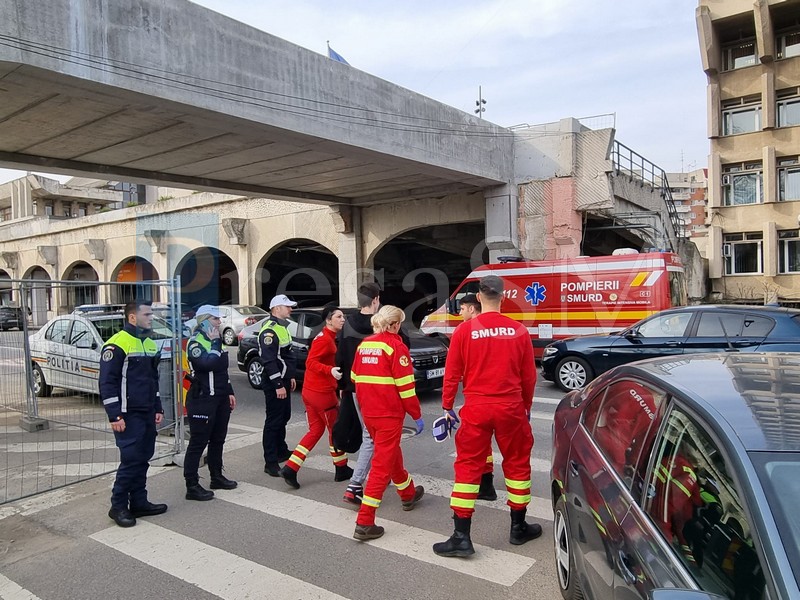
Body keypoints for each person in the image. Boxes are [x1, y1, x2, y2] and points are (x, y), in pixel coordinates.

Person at [433, 275, 540, 557]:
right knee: (517, 465)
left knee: (468, 467)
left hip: (477, 408)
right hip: (511, 408)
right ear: (503, 297)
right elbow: (529, 377)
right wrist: (525, 407)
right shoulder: (518, 331)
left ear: (478, 298)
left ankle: (461, 537)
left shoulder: (464, 331)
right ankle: (518, 528)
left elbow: (452, 374)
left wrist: (447, 407)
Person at [350, 305, 424, 541]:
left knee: (390, 453)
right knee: (381, 466)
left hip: (369, 413)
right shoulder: (396, 346)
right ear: (395, 325)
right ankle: (365, 522)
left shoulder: (365, 344)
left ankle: (408, 493)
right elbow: (405, 387)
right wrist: (416, 414)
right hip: (389, 414)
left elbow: (355, 378)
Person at [99, 301, 167, 528]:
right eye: (146, 314)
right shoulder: (116, 344)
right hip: (127, 415)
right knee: (130, 460)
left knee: (143, 458)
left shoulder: (148, 343)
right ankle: (118, 506)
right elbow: (107, 383)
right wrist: (114, 415)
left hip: (146, 411)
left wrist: (157, 407)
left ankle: (139, 502)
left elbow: (152, 380)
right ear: (132, 318)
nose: (151, 318)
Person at [280, 305, 353, 489]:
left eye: (342, 316)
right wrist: (330, 371)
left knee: (315, 431)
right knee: (334, 431)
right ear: (328, 320)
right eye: (338, 316)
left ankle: (291, 468)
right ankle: (341, 468)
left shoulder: (326, 336)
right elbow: (310, 362)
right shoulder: (325, 340)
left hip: (310, 393)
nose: (342, 319)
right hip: (322, 395)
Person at [183, 305, 238, 501]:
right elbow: (208, 364)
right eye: (215, 319)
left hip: (220, 398)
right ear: (205, 321)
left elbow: (222, 370)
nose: (219, 322)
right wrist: (215, 343)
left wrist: (229, 392)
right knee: (198, 443)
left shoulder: (215, 341)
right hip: (203, 399)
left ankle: (216, 476)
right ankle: (192, 485)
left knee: (218, 439)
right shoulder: (196, 342)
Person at [335, 282, 381, 505]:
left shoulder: (348, 324)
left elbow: (341, 356)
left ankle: (393, 477)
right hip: (380, 389)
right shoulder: (381, 323)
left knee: (373, 434)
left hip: (355, 387)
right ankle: (356, 484)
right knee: (374, 436)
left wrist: (343, 386)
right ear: (375, 301)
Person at [458, 293, 497, 502]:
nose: (460, 312)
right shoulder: (504, 328)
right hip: (502, 400)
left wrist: (446, 405)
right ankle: (487, 484)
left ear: (473, 308)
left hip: (477, 400)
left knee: (469, 453)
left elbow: (454, 369)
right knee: (486, 446)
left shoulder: (465, 331)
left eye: (462, 308)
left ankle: (482, 486)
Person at [260, 294, 298, 477]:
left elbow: (285, 357)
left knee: (284, 416)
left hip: (282, 380)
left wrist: (288, 377)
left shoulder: (282, 327)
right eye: (287, 306)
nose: (290, 309)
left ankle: (281, 450)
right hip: (274, 382)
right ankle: (270, 461)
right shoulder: (269, 330)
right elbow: (268, 361)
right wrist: (277, 384)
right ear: (276, 309)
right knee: (273, 421)